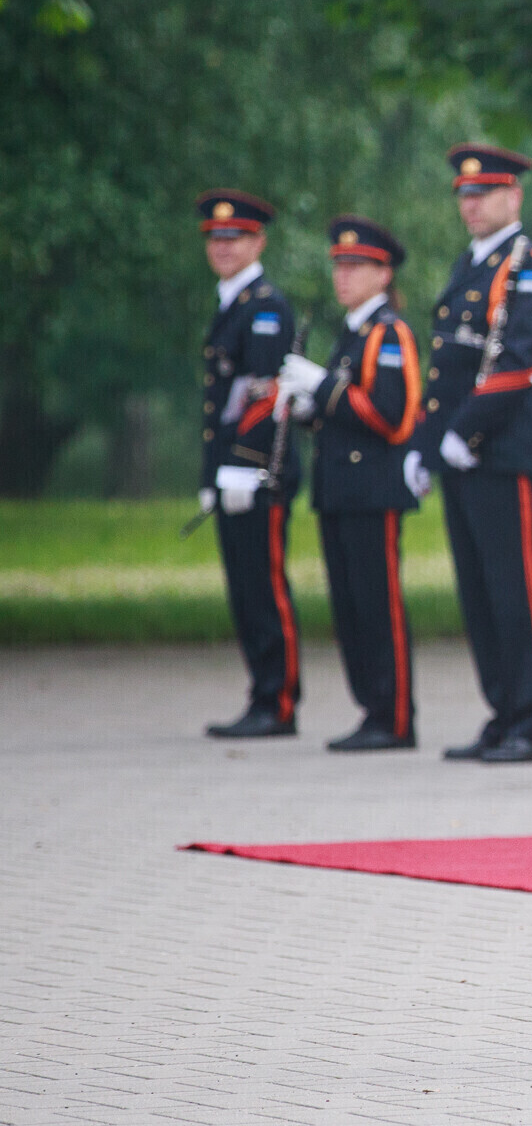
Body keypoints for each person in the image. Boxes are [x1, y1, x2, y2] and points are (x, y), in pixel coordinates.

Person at [415, 145, 532, 763]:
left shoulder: (527, 265)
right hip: (458, 453)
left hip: (499, 452)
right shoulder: (470, 265)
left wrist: (465, 431)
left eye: (485, 194)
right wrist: (427, 444)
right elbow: (446, 363)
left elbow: (519, 360)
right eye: (465, 195)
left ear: (514, 197)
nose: (472, 205)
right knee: (479, 594)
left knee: (516, 590)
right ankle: (504, 712)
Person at [278, 217, 423, 751]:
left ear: (383, 274)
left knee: (377, 604)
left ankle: (395, 716)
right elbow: (341, 412)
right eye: (340, 266)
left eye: (357, 267)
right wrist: (307, 408)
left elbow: (391, 415)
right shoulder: (352, 334)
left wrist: (324, 387)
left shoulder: (389, 332)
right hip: (339, 488)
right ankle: (371, 708)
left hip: (373, 489)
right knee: (350, 607)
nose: (343, 276)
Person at [196, 190, 304, 738]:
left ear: (258, 242)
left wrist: (242, 466)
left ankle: (278, 701)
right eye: (215, 238)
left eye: (234, 237)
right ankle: (262, 694)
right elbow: (220, 405)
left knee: (265, 590)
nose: (223, 247)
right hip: (231, 473)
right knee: (243, 590)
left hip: (260, 472)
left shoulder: (265, 306)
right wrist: (210, 474)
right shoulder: (232, 303)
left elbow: (265, 396)